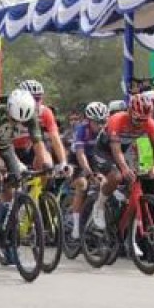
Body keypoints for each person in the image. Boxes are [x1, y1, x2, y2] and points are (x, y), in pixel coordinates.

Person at [86, 96, 154, 234]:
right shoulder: (117, 119)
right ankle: (99, 205)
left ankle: (130, 238)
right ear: (129, 111)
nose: (140, 124)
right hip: (105, 151)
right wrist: (125, 168)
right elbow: (115, 150)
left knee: (136, 184)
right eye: (137, 119)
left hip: (126, 150)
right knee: (117, 176)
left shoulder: (151, 124)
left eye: (144, 120)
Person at [0, 90, 51, 228]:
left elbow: (38, 143)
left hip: (5, 146)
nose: (18, 123)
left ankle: (3, 226)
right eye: (15, 120)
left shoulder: (31, 117)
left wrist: (44, 163)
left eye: (21, 122)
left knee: (14, 184)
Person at [66, 101, 109, 239]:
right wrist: (89, 173)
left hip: (94, 157)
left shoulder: (105, 131)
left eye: (103, 121)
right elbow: (80, 154)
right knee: (83, 185)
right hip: (76, 159)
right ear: (89, 120)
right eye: (97, 122)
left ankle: (96, 215)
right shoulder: (82, 129)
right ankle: (76, 227)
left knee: (104, 182)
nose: (101, 125)